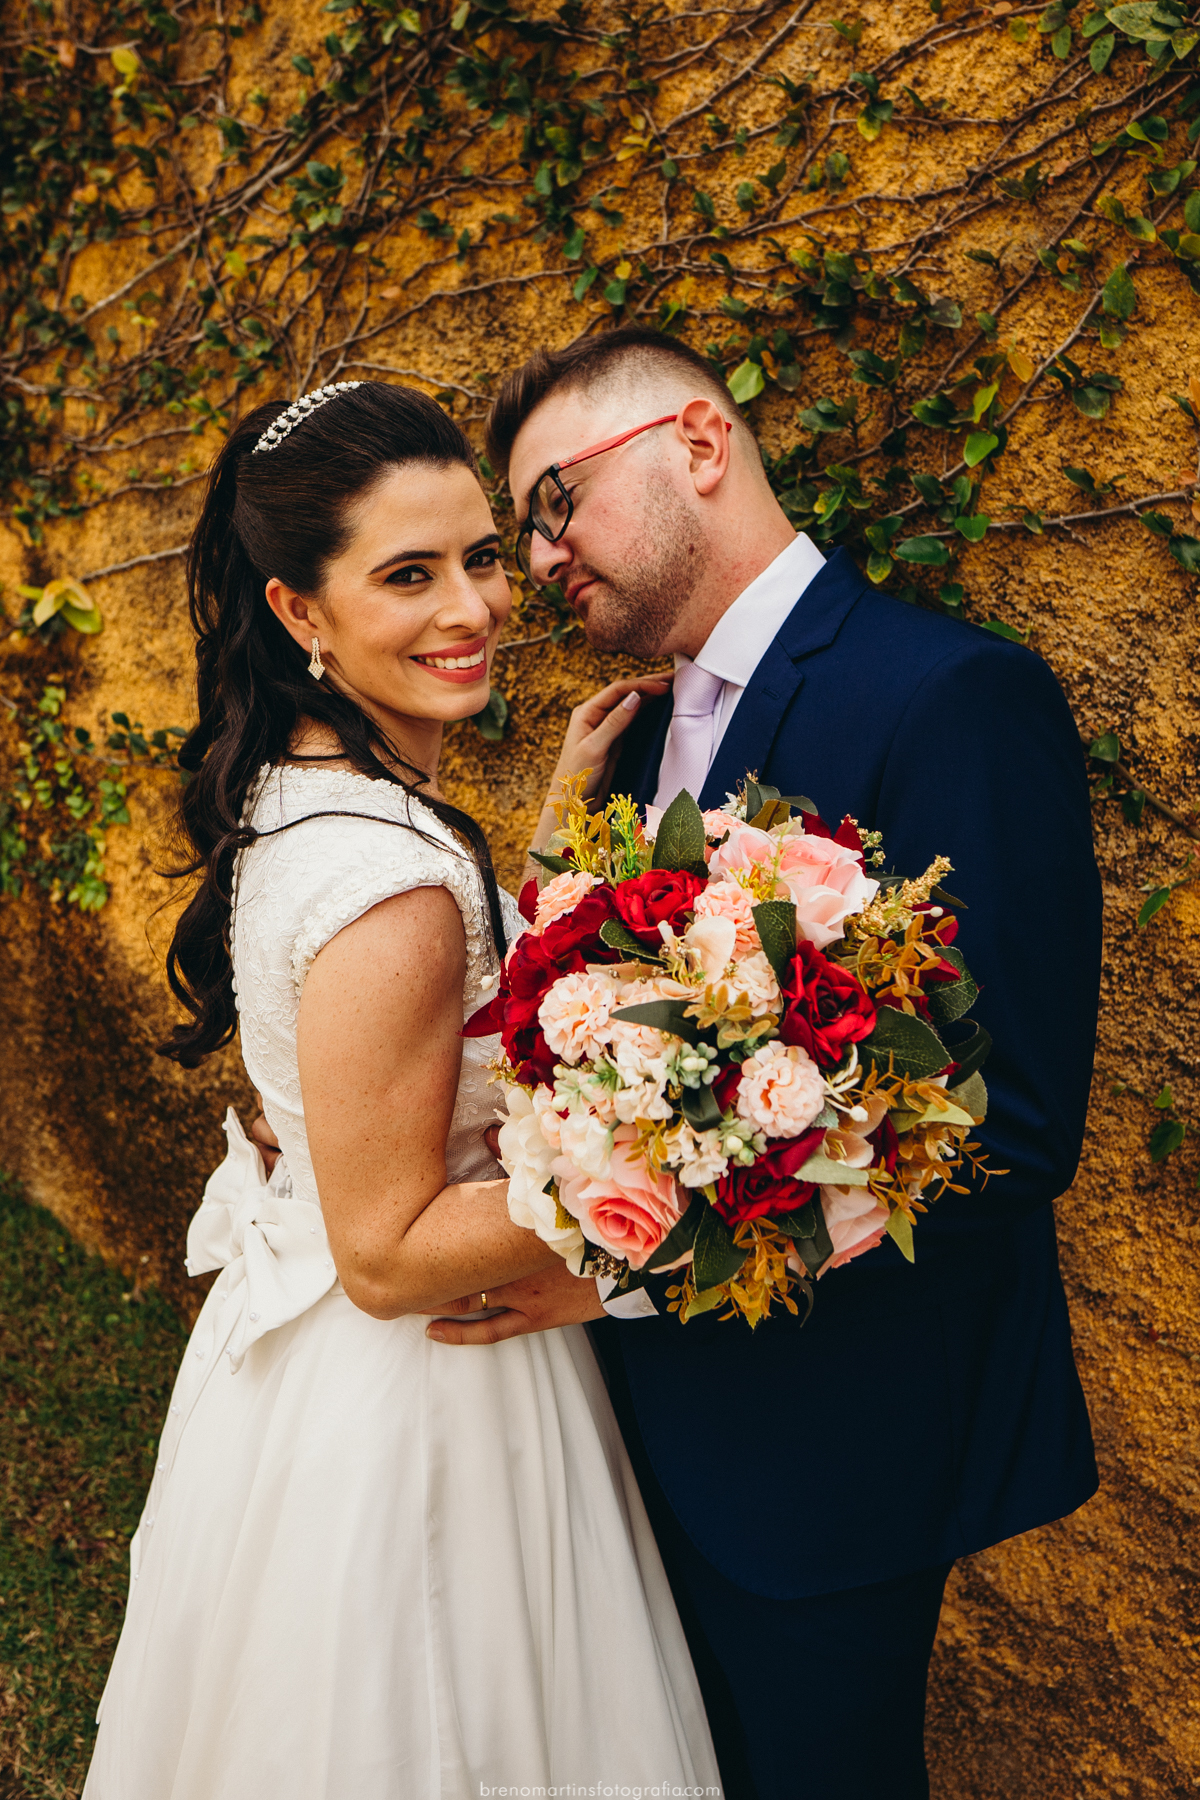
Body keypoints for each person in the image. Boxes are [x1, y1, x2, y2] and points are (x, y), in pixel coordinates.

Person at [426, 328, 1103, 1800]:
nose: (539, 560)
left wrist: (618, 1270)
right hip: (647, 1433)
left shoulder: (951, 697)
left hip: (829, 1453)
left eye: (558, 502)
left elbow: (1017, 1119)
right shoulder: (640, 733)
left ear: (699, 446)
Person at [83, 379, 720, 1799]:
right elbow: (383, 1256)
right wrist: (703, 1157)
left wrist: (541, 859)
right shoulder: (390, 889)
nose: (474, 609)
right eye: (409, 576)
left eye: (485, 558)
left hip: (311, 1386)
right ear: (301, 613)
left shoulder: (318, 798)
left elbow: (424, 1037)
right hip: (426, 1404)